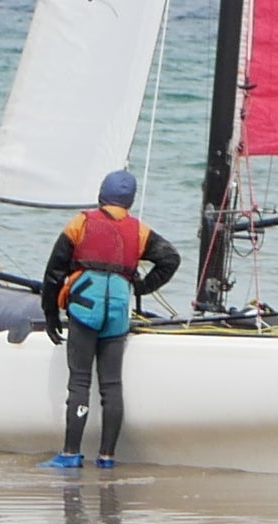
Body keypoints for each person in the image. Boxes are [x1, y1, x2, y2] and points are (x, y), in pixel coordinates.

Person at [36, 169, 182, 471]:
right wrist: (141, 286)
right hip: (117, 311)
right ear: (129, 200)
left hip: (84, 310)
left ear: (102, 195)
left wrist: (50, 312)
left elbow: (54, 273)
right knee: (111, 386)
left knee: (79, 382)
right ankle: (106, 457)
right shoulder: (140, 231)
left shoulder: (81, 223)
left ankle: (71, 454)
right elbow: (171, 259)